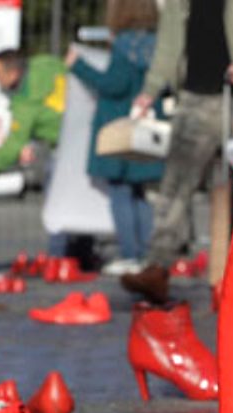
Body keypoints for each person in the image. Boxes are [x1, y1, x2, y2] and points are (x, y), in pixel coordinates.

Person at [118, 0, 233, 304]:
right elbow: (170, 40)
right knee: (175, 183)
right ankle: (158, 267)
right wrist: (151, 88)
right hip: (196, 95)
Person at [65, 0, 165, 276]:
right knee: (140, 194)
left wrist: (79, 66)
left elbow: (114, 84)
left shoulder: (124, 46)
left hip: (119, 128)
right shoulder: (158, 44)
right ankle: (148, 252)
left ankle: (131, 254)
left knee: (120, 193)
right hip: (146, 128)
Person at [0, 50, 66, 190]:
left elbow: (13, 146)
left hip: (72, 146)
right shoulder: (45, 62)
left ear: (13, 74)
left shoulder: (25, 103)